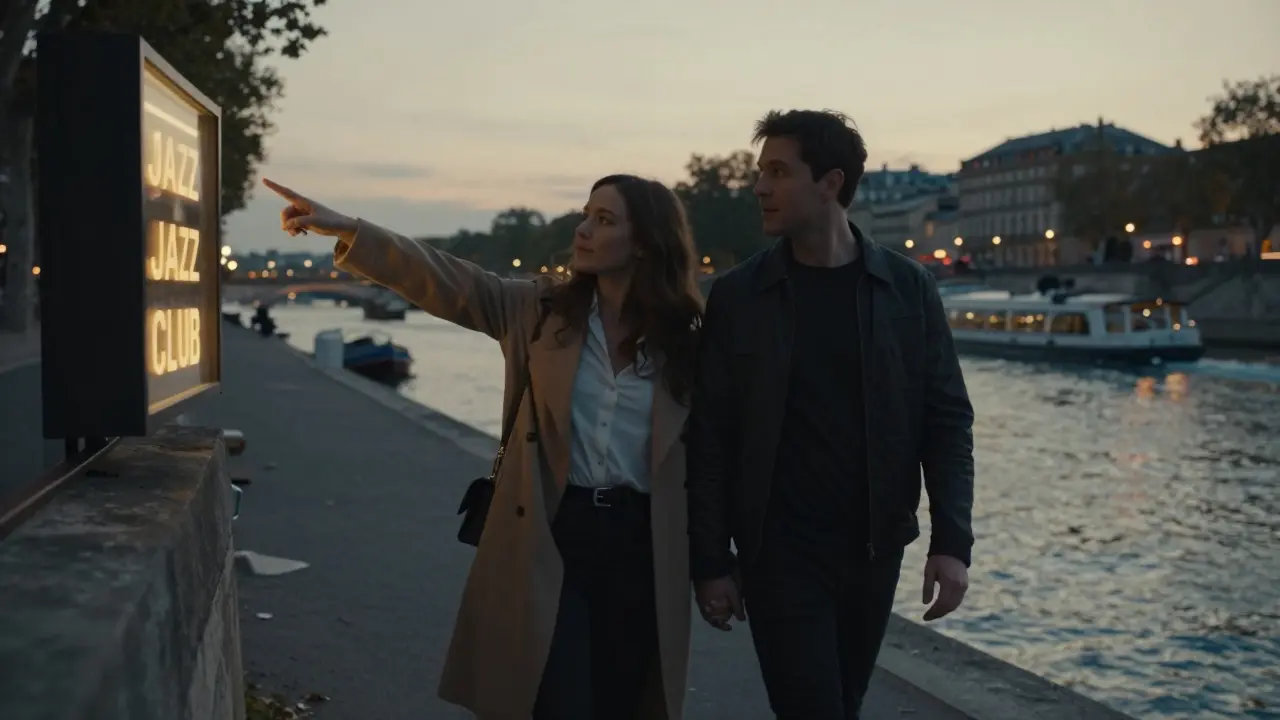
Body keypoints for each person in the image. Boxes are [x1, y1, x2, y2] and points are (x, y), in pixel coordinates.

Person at [265, 174, 702, 720]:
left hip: (642, 545)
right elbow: (449, 281)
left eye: (605, 220)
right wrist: (354, 230)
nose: (583, 229)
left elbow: (710, 463)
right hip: (553, 531)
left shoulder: (689, 343)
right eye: (586, 214)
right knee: (557, 698)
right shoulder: (539, 312)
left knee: (620, 699)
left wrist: (716, 566)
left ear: (646, 242)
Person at [685, 109, 976, 720]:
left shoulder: (908, 289)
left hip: (874, 547)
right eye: (760, 172)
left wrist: (952, 543)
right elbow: (710, 435)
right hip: (778, 551)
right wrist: (710, 561)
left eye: (778, 171)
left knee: (843, 700)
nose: (759, 187)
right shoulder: (739, 296)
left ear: (831, 183)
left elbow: (946, 422)